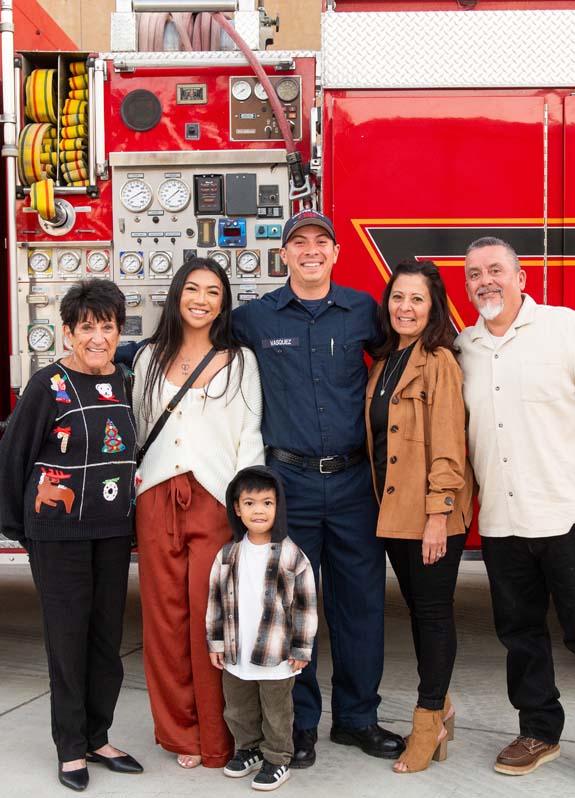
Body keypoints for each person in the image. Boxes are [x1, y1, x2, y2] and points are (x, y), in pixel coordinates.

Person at [457, 237, 575, 793]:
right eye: (473, 275)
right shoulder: (464, 347)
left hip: (571, 516)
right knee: (520, 636)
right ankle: (538, 731)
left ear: (521, 278)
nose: (484, 281)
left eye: (495, 270)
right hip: (504, 523)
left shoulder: (565, 327)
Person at [232, 209, 403, 767]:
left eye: (320, 242)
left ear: (335, 253)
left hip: (355, 483)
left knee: (360, 606)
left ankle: (357, 719)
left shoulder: (362, 311)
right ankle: (299, 725)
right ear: (283, 255)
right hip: (289, 485)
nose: (310, 250)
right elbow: (197, 345)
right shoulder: (254, 318)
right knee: (292, 610)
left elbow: (403, 360)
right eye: (298, 242)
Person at [0, 278, 142, 792]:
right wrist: (18, 527)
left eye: (107, 327)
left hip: (111, 529)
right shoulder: (47, 386)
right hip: (58, 533)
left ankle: (99, 737)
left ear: (120, 331)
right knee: (68, 639)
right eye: (87, 327)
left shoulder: (123, 380)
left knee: (106, 638)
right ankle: (70, 747)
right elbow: (13, 459)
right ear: (67, 333)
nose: (97, 337)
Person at [132, 257, 265, 770]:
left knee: (213, 623)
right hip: (156, 499)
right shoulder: (147, 359)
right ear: (176, 295)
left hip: (215, 498)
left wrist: (249, 510)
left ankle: (218, 737)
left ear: (224, 303)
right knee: (163, 623)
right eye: (192, 288)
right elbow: (142, 430)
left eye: (214, 291)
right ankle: (179, 734)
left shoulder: (240, 362)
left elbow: (249, 439)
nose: (202, 299)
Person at [363, 260, 472, 773]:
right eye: (398, 298)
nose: (405, 308)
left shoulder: (439, 361)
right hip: (393, 509)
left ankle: (428, 720)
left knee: (432, 616)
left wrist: (439, 516)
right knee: (416, 610)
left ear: (434, 309)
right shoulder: (387, 359)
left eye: (417, 300)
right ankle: (443, 708)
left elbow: (450, 445)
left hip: (430, 512)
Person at [206, 466, 317, 792]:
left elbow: (306, 605)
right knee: (238, 707)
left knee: (277, 711)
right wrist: (215, 643)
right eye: (250, 503)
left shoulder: (291, 555)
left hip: (277, 653)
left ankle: (278, 757)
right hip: (236, 650)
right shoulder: (228, 554)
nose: (259, 510)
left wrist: (301, 648)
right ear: (237, 509)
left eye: (267, 503)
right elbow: (214, 599)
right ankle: (249, 748)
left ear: (278, 507)